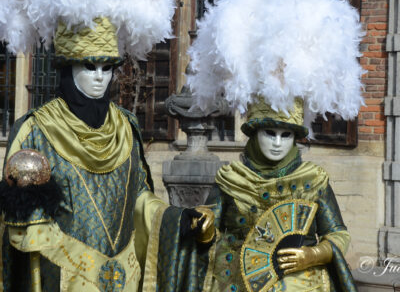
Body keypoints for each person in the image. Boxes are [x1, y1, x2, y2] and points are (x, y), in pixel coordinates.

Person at [0, 19, 214, 291]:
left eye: (107, 67)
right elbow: (13, 227)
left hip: (124, 279)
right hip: (61, 279)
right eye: (89, 66)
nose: (100, 76)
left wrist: (180, 220)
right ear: (68, 68)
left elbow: (139, 200)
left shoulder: (126, 127)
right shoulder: (35, 130)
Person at [205, 98, 357, 291]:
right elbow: (210, 233)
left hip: (303, 283)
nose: (277, 143)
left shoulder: (313, 179)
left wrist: (314, 254)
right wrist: (203, 228)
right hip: (234, 281)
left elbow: (337, 233)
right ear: (254, 133)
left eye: (286, 135)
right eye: (270, 133)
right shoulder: (231, 179)